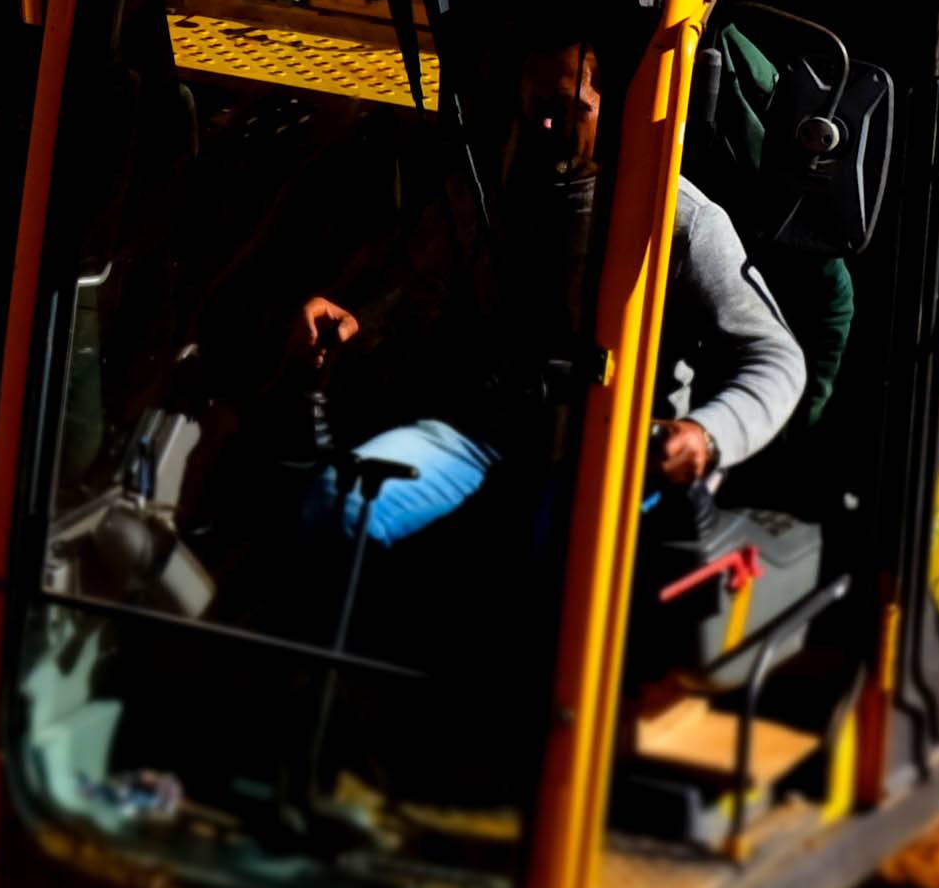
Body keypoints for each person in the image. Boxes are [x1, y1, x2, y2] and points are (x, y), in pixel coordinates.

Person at [287, 38, 801, 550]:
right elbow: (409, 280)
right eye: (534, 106)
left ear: (618, 107)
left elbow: (775, 357)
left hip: (608, 453)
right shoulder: (484, 192)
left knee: (553, 557)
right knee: (342, 503)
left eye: (568, 109)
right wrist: (354, 317)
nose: (546, 126)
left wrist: (707, 436)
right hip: (481, 435)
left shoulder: (682, 221)